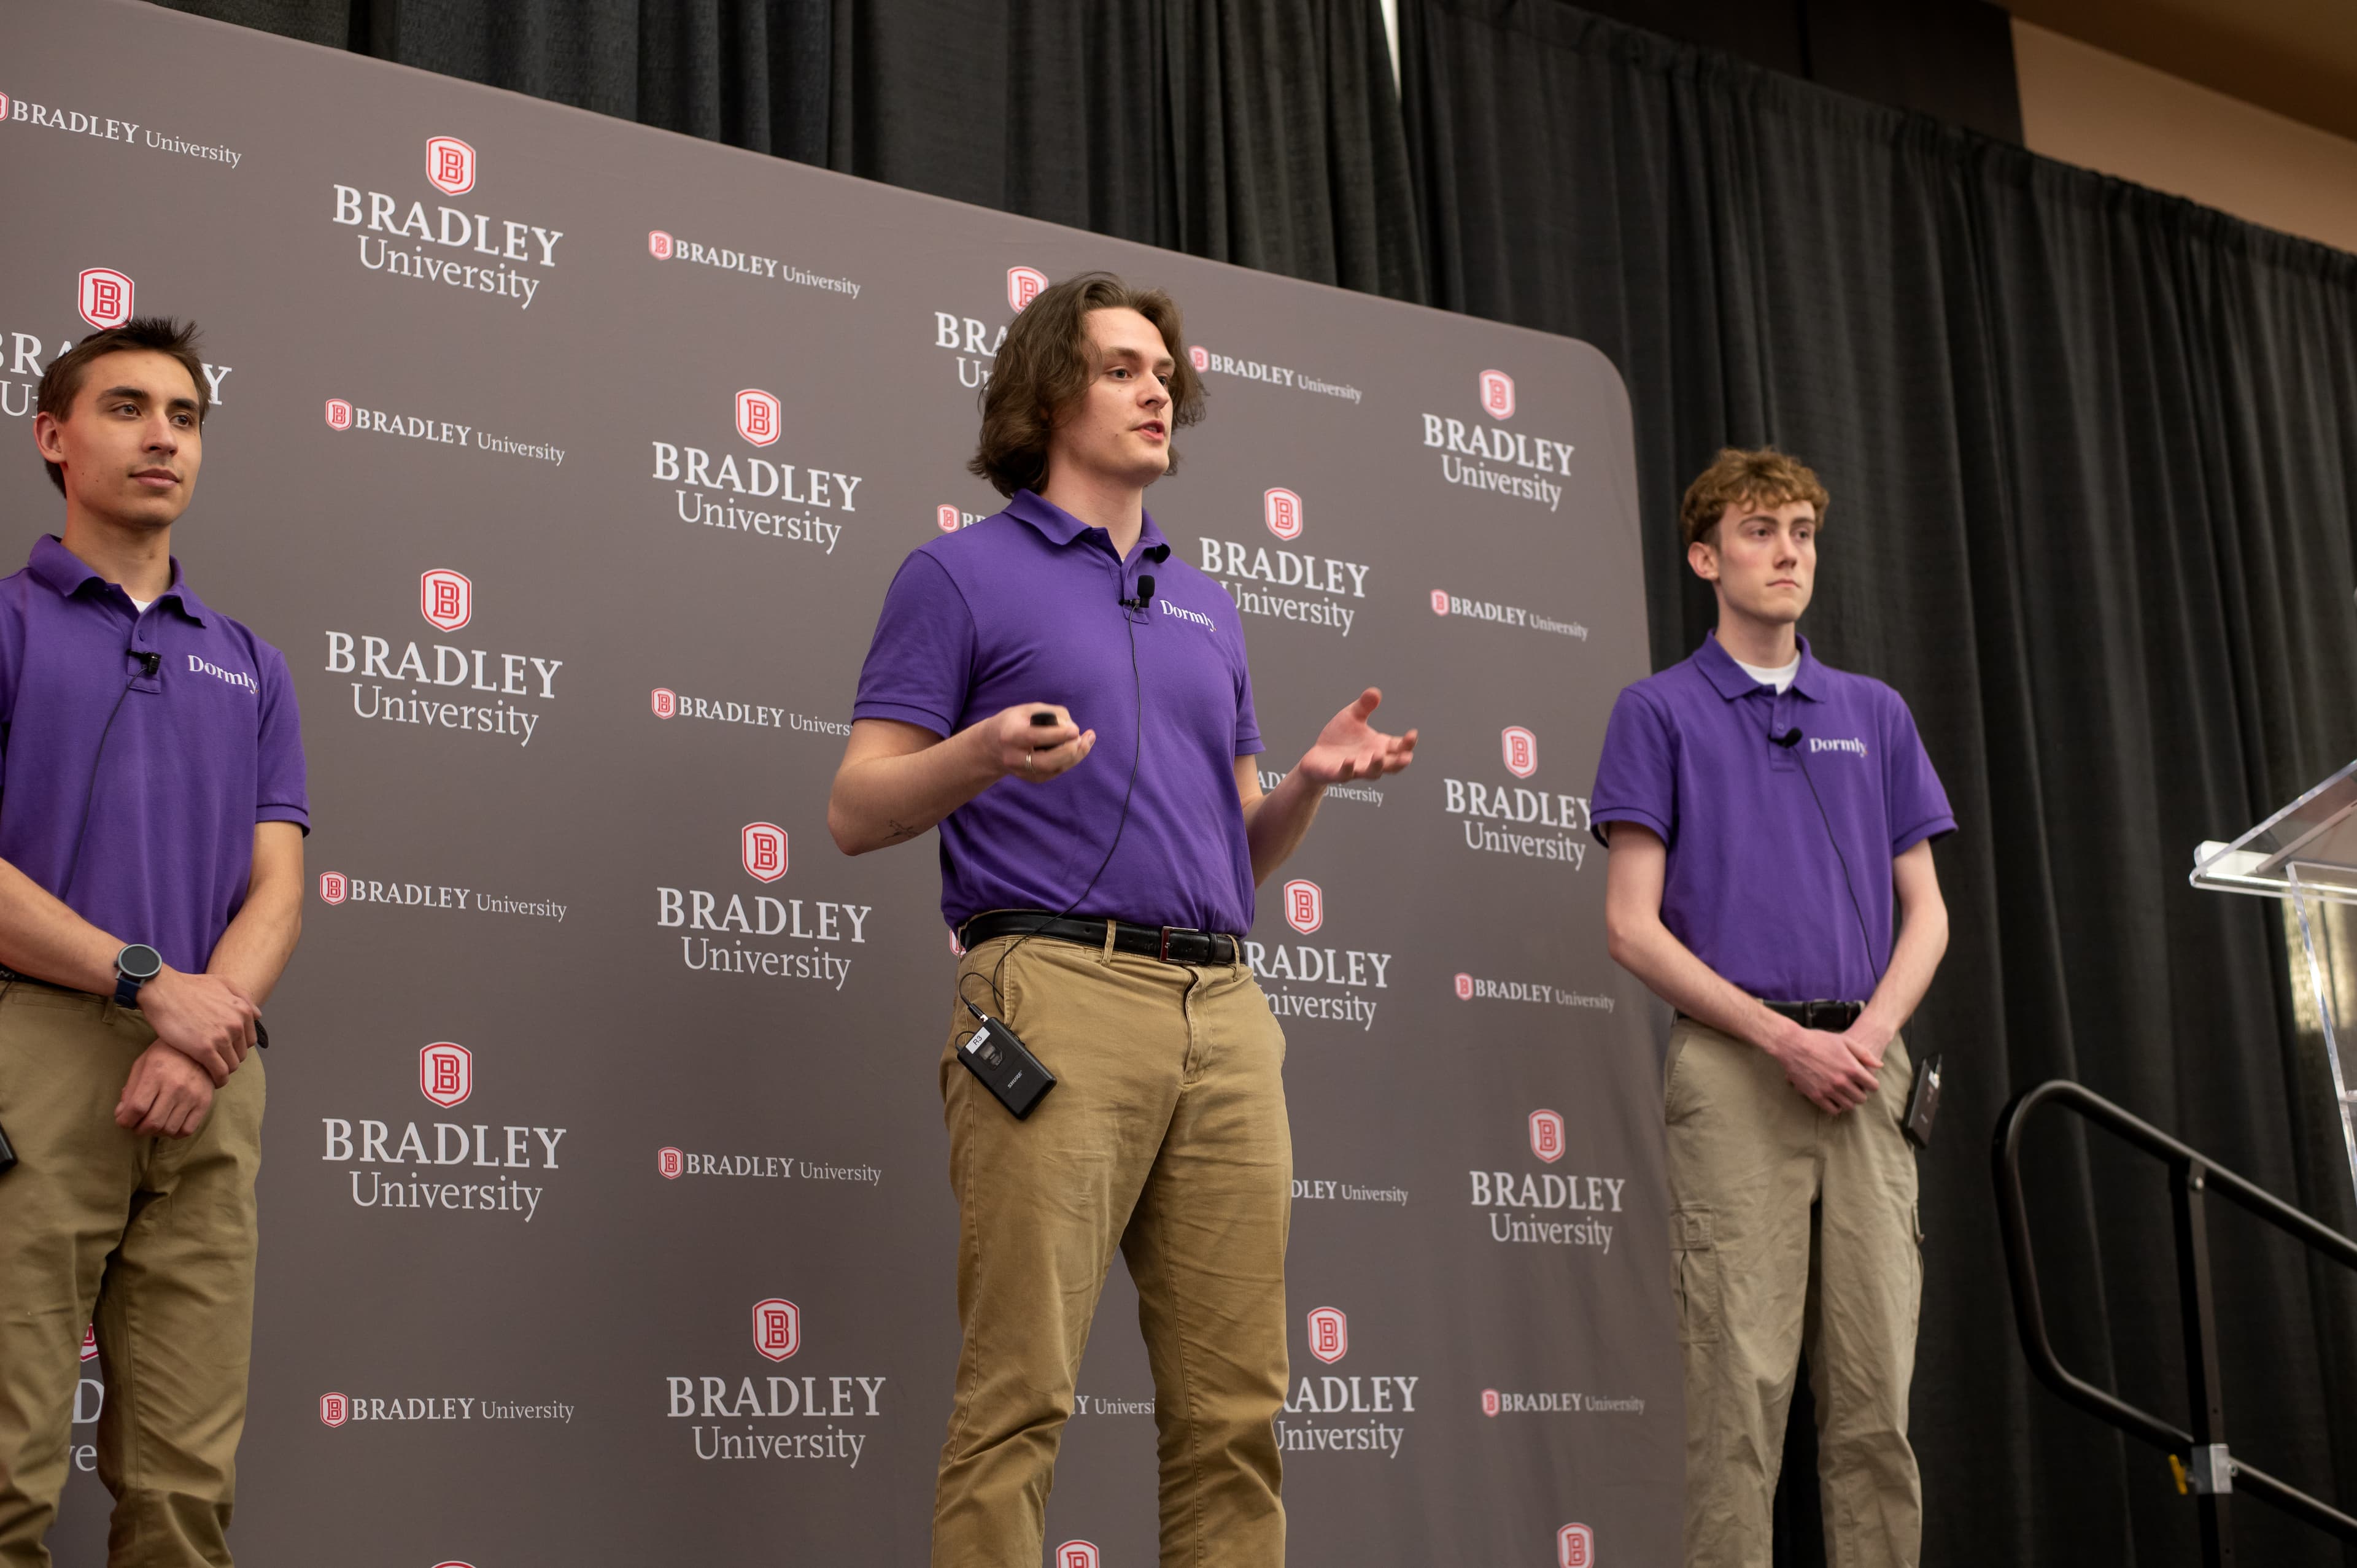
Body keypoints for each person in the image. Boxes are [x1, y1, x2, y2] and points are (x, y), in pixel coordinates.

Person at [830, 272, 1414, 1568]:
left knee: (1234, 1414)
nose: (1160, 391)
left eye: (1165, 372)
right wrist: (981, 751)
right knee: (1019, 1398)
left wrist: (1308, 782)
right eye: (1121, 369)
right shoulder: (956, 575)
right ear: (1049, 396)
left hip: (1225, 1010)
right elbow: (855, 810)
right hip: (1050, 996)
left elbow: (1238, 852)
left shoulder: (1208, 603)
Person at [1592, 447, 1952, 1568]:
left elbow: (1928, 913)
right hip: (1736, 1067)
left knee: (1877, 1406)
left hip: (1867, 1068)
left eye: (1802, 531)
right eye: (1759, 531)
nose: (1788, 552)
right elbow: (1631, 926)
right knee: (1736, 1405)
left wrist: (1868, 1038)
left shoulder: (1875, 712)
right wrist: (1784, 1038)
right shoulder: (1658, 711)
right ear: (1706, 558)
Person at [0, 319, 308, 1567]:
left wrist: (197, 1026)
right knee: (6, 1474)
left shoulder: (252, 664)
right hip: (34, 1053)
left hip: (210, 1071)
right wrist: (145, 985)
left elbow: (278, 887)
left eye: (184, 416)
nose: (162, 437)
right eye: (125, 408)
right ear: (54, 438)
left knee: (185, 1494)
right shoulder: (9, 625)